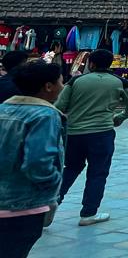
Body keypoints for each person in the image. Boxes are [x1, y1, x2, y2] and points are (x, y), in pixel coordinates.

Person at [55, 49, 128, 226]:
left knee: (70, 168)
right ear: (110, 64)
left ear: (90, 63)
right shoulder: (120, 81)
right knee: (98, 172)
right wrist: (119, 117)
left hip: (75, 133)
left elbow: (60, 105)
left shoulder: (76, 80)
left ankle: (52, 203)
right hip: (102, 133)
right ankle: (88, 213)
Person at [0, 60, 64, 258]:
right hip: (23, 204)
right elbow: (38, 162)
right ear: (48, 86)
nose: (63, 86)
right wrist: (53, 184)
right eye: (61, 82)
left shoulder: (3, 109)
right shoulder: (45, 115)